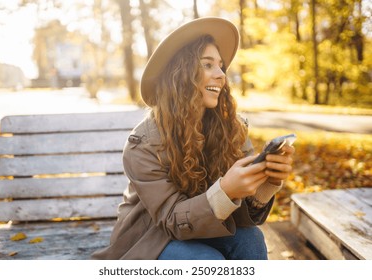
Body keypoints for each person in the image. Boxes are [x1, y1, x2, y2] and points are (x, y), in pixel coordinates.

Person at [92, 17, 295, 260]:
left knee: (251, 240)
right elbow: (171, 221)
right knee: (207, 261)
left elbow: (242, 218)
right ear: (180, 74)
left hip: (209, 226)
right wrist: (226, 191)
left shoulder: (233, 129)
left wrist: (265, 183)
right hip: (152, 238)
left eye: (221, 66)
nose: (221, 74)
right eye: (208, 65)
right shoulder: (142, 144)